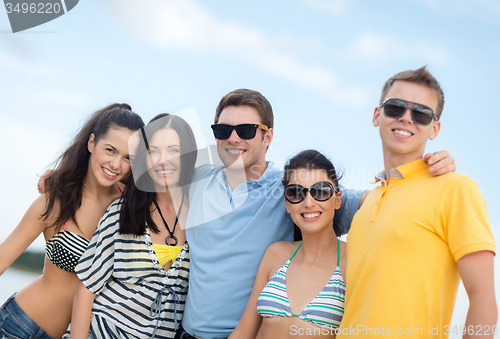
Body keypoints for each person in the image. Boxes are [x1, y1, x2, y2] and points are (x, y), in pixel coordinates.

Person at [177, 89, 457, 339]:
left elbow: (385, 201)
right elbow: (146, 173)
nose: (233, 138)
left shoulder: (292, 188)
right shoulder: (196, 180)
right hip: (186, 332)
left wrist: (425, 173)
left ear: (267, 136)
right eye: (223, 130)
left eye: (246, 130)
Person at [338, 67, 496, 338]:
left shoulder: (456, 189)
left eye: (421, 113)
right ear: (377, 115)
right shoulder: (367, 202)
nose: (407, 118)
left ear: (434, 128)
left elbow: (483, 299)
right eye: (395, 107)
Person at [0, 103, 144, 339]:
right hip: (19, 326)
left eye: (128, 157)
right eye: (110, 150)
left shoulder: (132, 208)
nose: (116, 164)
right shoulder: (55, 202)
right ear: (91, 143)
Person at [70, 114, 197, 339]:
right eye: (153, 151)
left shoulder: (201, 215)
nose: (162, 160)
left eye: (174, 150)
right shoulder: (123, 211)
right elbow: (85, 292)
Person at [230, 149, 347, 338]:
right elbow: (243, 332)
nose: (308, 202)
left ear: (337, 199)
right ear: (287, 203)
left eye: (321, 191)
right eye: (296, 192)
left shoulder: (354, 261)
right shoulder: (276, 254)